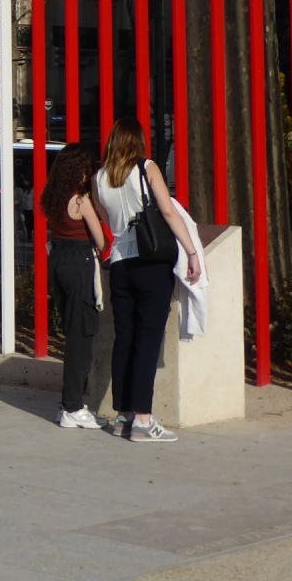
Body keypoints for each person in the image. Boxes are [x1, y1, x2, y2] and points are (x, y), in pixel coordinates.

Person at [94, 115, 201, 444]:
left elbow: (104, 218)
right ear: (137, 141)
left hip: (122, 265)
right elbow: (167, 211)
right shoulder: (147, 168)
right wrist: (192, 252)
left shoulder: (100, 177)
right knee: (148, 341)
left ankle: (123, 415)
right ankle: (143, 418)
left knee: (124, 339)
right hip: (152, 264)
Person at [41, 145, 107, 429]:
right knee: (83, 338)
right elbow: (101, 241)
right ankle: (73, 407)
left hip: (58, 260)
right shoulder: (81, 202)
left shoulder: (52, 199)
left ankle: (68, 405)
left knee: (72, 333)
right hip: (80, 262)